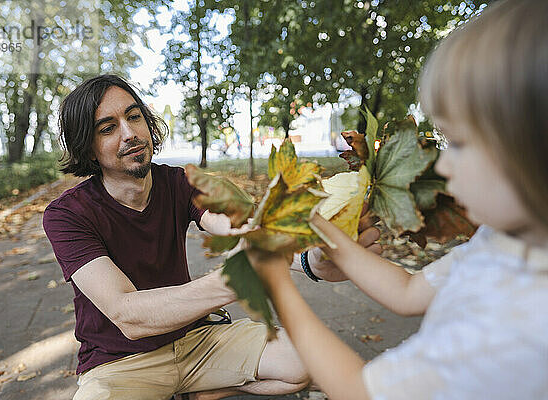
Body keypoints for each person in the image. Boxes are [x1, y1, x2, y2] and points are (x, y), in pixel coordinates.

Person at [246, 1, 548, 399]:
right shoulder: (503, 239)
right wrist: (321, 230)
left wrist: (277, 284)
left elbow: (359, 391)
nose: (444, 164)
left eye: (458, 143)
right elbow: (409, 292)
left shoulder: (521, 322)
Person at [42, 74, 380, 400]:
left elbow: (243, 229)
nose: (129, 133)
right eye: (108, 128)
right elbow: (128, 316)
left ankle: (202, 393)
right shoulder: (67, 215)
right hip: (119, 363)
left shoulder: (179, 182)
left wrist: (309, 261)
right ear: (87, 149)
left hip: (198, 340)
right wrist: (239, 279)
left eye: (134, 116)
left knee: (306, 361)